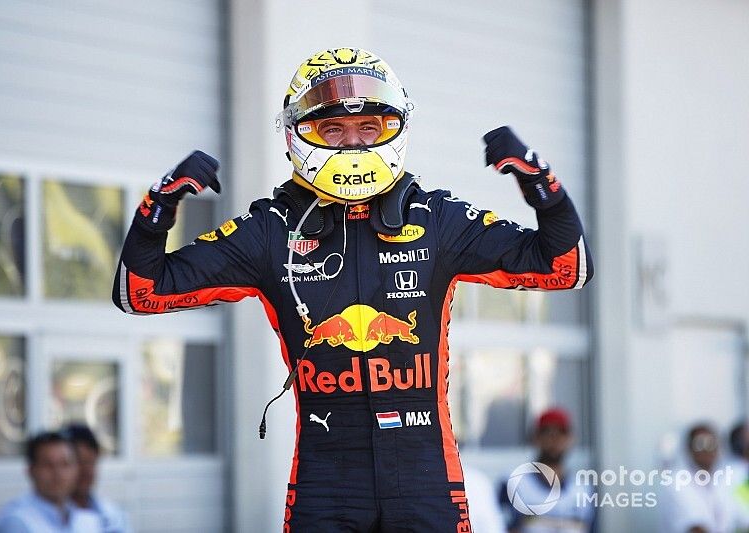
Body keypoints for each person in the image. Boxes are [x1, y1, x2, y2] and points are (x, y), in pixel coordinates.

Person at [112, 47, 593, 531]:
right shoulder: (270, 229)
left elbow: (564, 266)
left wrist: (541, 186)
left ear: (396, 128)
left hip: (426, 480)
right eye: (333, 129)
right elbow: (141, 290)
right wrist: (159, 209)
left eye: (369, 129)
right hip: (328, 483)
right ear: (296, 134)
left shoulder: (437, 218)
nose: (352, 144)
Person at [497, 408, 595, 533]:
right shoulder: (514, 483)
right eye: (547, 432)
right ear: (535, 437)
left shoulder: (583, 488)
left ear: (571, 438)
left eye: (561, 433)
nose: (554, 439)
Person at [0, 431, 100, 532]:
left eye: (65, 464)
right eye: (47, 465)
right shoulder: (16, 522)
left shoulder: (88, 521)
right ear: (31, 470)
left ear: (76, 469)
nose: (57, 473)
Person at [662, 423, 749, 533]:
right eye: (700, 444)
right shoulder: (676, 482)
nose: (706, 449)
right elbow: (696, 528)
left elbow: (743, 517)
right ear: (689, 448)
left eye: (711, 443)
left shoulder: (727, 479)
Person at [62, 424, 130, 533]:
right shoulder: (46, 517)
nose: (86, 470)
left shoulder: (113, 514)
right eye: (79, 462)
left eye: (90, 462)